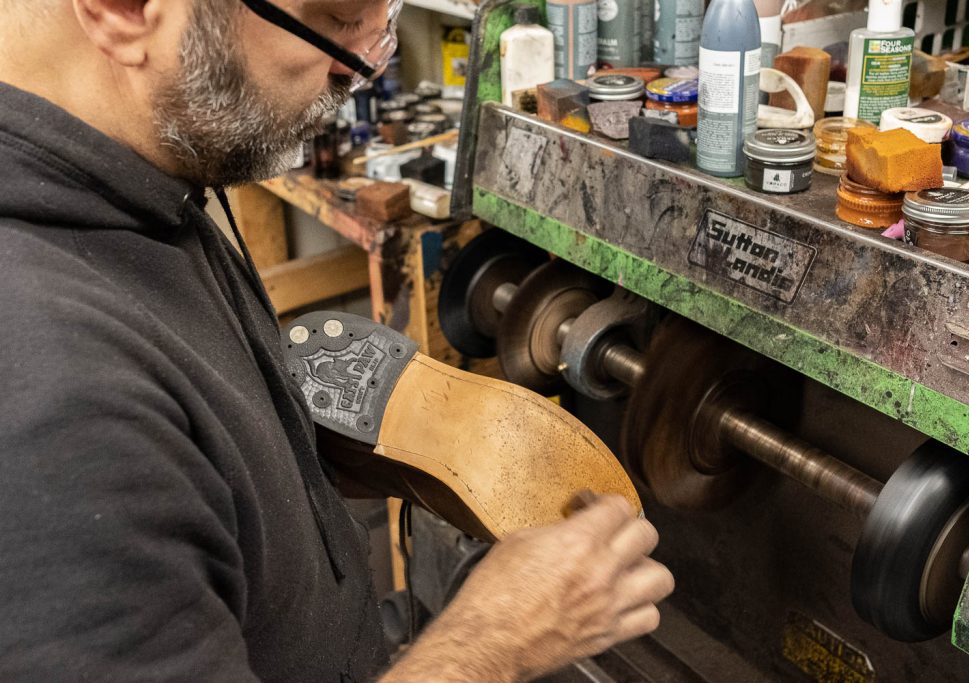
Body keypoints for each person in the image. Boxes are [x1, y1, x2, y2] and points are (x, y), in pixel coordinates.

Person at [0, 1, 675, 680]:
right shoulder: (53, 405)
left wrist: (282, 451)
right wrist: (493, 639)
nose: (363, 70)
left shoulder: (134, 172)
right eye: (336, 19)